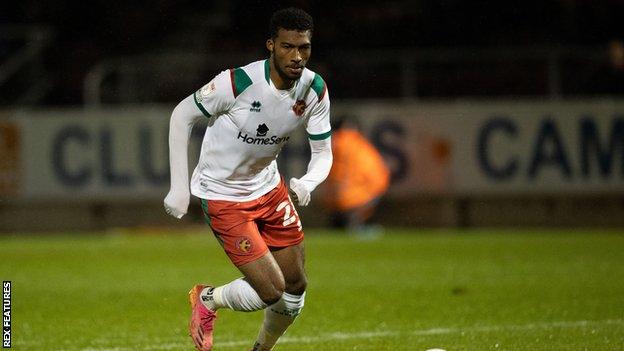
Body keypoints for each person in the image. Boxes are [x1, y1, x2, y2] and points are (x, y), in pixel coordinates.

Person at [163, 8, 332, 351]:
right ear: (271, 45)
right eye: (287, 47)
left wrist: (307, 183)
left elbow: (324, 152)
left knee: (296, 284)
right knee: (271, 290)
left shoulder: (314, 89)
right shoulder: (238, 83)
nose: (297, 57)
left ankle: (262, 349)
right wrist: (179, 188)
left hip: (269, 188)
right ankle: (208, 298)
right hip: (223, 195)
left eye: (304, 48)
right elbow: (182, 115)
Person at [324, 116, 390, 235]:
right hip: (357, 198)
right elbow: (378, 175)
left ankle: (343, 221)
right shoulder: (358, 144)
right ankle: (358, 223)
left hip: (333, 199)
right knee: (378, 187)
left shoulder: (329, 144)